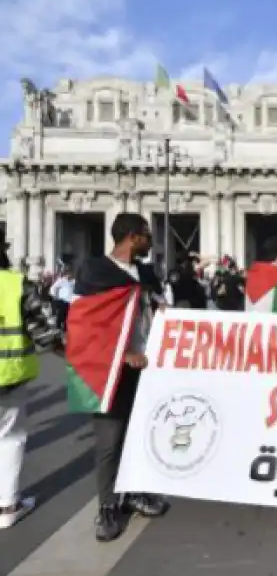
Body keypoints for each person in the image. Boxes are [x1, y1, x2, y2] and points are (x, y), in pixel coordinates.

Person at [71, 213, 169, 542]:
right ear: (131, 237)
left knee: (140, 433)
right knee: (110, 441)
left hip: (147, 366)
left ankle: (136, 492)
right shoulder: (95, 271)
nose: (149, 241)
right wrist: (122, 353)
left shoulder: (144, 272)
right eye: (145, 235)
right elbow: (85, 323)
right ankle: (109, 506)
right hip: (110, 367)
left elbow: (156, 309)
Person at [0, 243, 61, 528]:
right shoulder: (16, 285)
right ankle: (7, 505)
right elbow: (45, 330)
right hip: (7, 375)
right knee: (10, 438)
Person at [49, 266, 75, 330]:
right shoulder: (62, 280)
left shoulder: (74, 281)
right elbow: (53, 288)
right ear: (66, 274)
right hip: (62, 300)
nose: (69, 275)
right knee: (61, 314)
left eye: (71, 273)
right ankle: (58, 325)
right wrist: (55, 296)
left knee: (68, 315)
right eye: (68, 273)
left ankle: (65, 328)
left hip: (70, 301)